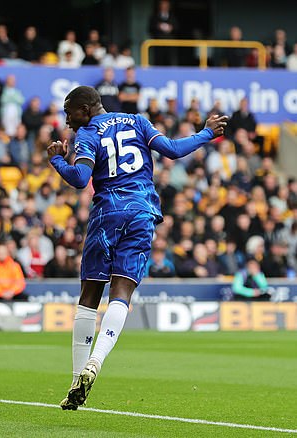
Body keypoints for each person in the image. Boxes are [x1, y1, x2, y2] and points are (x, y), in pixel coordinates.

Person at [47, 85, 227, 410]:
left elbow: (78, 178)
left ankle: (76, 378)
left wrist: (58, 160)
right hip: (143, 212)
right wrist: (205, 134)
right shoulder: (137, 121)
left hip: (108, 213)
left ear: (86, 109)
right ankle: (96, 361)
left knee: (89, 297)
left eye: (69, 111)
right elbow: (172, 149)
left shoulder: (87, 134)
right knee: (122, 293)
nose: (67, 118)